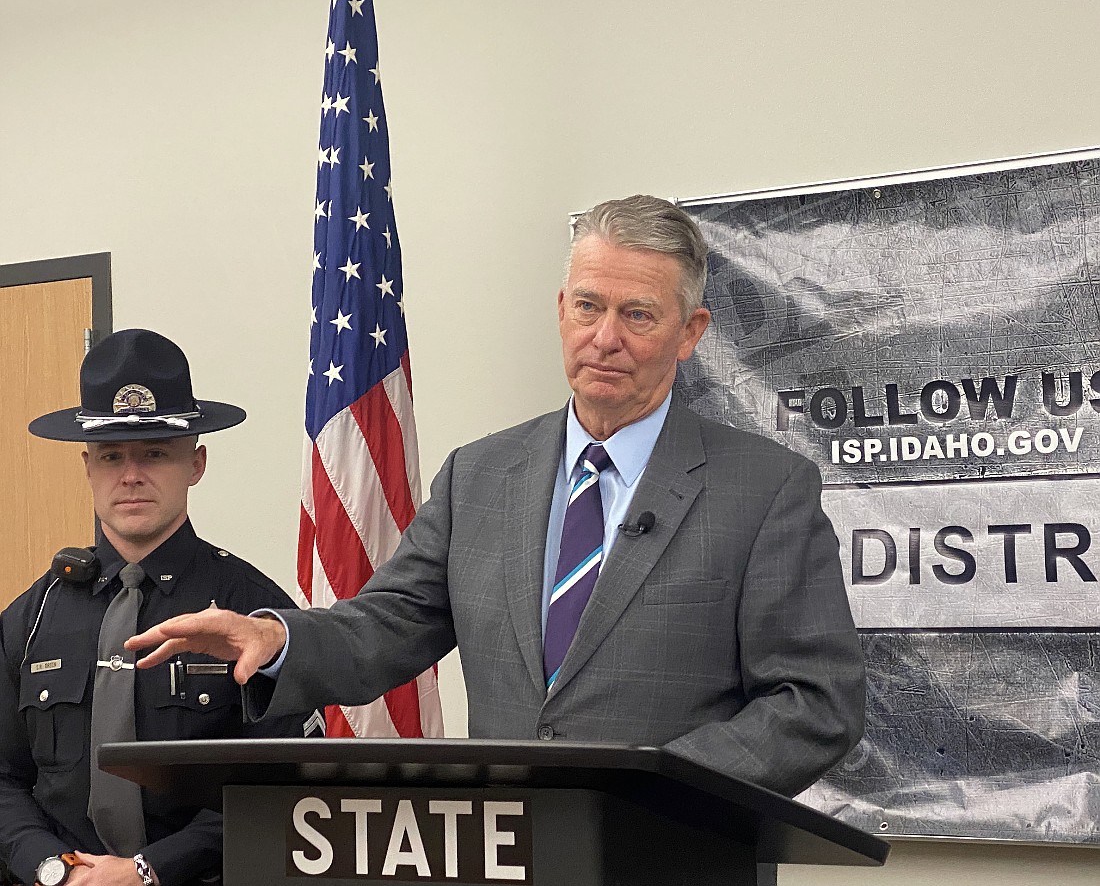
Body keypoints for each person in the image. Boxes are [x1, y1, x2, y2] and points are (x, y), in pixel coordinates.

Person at [130, 195, 866, 798]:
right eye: (588, 306)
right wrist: (280, 638)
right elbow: (388, 625)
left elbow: (815, 702)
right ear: (560, 310)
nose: (605, 337)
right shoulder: (480, 475)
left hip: (677, 852)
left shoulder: (765, 490)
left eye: (637, 314)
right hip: (509, 851)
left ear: (689, 332)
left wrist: (663, 783)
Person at [0, 329, 315, 886]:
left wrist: (148, 872)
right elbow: (4, 779)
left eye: (155, 453)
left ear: (196, 463)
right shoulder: (31, 617)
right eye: (112, 455)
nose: (131, 475)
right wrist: (54, 869)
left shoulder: (255, 613)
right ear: (87, 466)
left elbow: (278, 781)